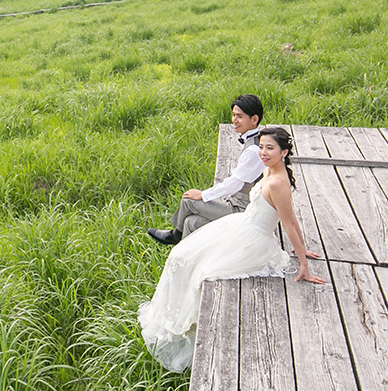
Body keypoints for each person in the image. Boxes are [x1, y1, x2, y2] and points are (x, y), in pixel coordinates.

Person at [137, 126, 325, 372]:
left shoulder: (279, 182)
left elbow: (288, 222)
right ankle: (169, 317)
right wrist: (302, 246)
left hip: (254, 240)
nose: (264, 153)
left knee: (202, 270)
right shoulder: (270, 170)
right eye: (261, 147)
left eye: (270, 148)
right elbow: (289, 218)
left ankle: (187, 325)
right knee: (180, 255)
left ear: (285, 152)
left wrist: (303, 261)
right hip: (241, 225)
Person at [146, 94, 266, 246]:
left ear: (254, 119)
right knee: (190, 222)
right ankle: (187, 255)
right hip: (237, 203)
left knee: (188, 200)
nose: (234, 120)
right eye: (234, 115)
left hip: (242, 210)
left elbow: (234, 184)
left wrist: (203, 194)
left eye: (240, 116)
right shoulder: (255, 141)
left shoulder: (254, 150)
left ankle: (175, 235)